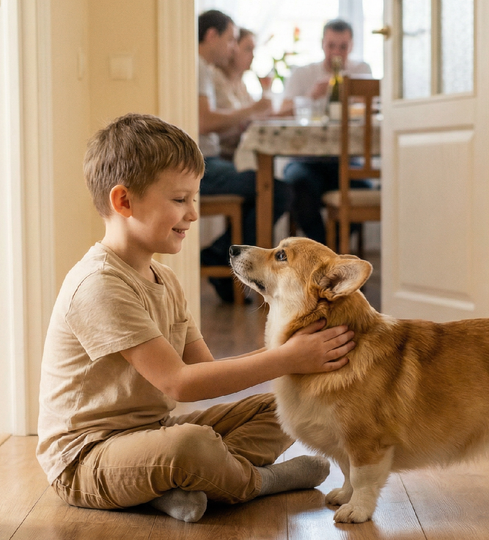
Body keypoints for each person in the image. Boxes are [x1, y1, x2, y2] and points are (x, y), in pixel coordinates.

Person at [36, 113, 356, 523]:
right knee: (190, 444)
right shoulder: (100, 284)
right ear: (124, 201)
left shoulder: (165, 279)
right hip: (85, 458)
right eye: (179, 200)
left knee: (283, 408)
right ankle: (260, 481)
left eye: (194, 199)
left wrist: (290, 355)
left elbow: (203, 370)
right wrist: (289, 358)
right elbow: (180, 383)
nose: (193, 214)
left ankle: (171, 486)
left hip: (152, 431)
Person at [197, 10, 289, 301]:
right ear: (211, 35)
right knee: (275, 189)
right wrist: (252, 110)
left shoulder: (202, 68)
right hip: (202, 165)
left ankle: (217, 258)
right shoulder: (200, 67)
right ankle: (221, 260)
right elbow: (203, 122)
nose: (233, 48)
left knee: (274, 188)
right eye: (231, 40)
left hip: (213, 160)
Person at [281, 19, 374, 247]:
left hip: (346, 161)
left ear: (351, 46)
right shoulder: (304, 73)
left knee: (362, 193)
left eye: (342, 47)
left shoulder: (361, 71)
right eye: (331, 45)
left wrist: (354, 96)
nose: (336, 52)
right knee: (297, 185)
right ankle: (321, 253)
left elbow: (376, 109)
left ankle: (334, 251)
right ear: (322, 43)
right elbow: (281, 112)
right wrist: (311, 95)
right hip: (306, 159)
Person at [212, 28, 268, 161]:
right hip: (223, 155)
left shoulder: (240, 83)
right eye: (248, 49)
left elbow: (257, 116)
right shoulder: (216, 77)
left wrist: (265, 91)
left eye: (254, 50)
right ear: (234, 49)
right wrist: (254, 109)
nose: (253, 55)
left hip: (240, 154)